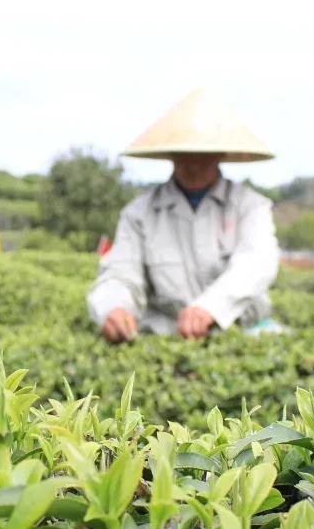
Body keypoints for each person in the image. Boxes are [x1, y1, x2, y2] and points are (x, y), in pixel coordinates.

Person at [87, 89, 281, 343]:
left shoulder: (250, 206)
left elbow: (257, 264)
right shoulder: (139, 214)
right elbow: (121, 272)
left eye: (204, 153)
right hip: (167, 336)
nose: (194, 163)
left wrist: (209, 308)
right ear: (171, 154)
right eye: (185, 153)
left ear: (220, 153)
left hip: (240, 333)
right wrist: (114, 308)